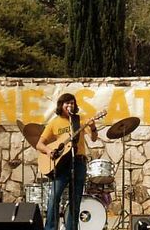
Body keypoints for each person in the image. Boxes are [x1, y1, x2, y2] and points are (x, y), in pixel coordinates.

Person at [36, 93, 98, 230]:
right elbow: (39, 144)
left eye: (72, 103)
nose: (70, 105)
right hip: (62, 165)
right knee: (54, 197)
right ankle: (50, 228)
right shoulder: (54, 122)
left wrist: (93, 127)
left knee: (75, 200)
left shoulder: (80, 120)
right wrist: (48, 151)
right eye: (67, 103)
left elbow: (94, 138)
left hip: (79, 163)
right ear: (61, 105)